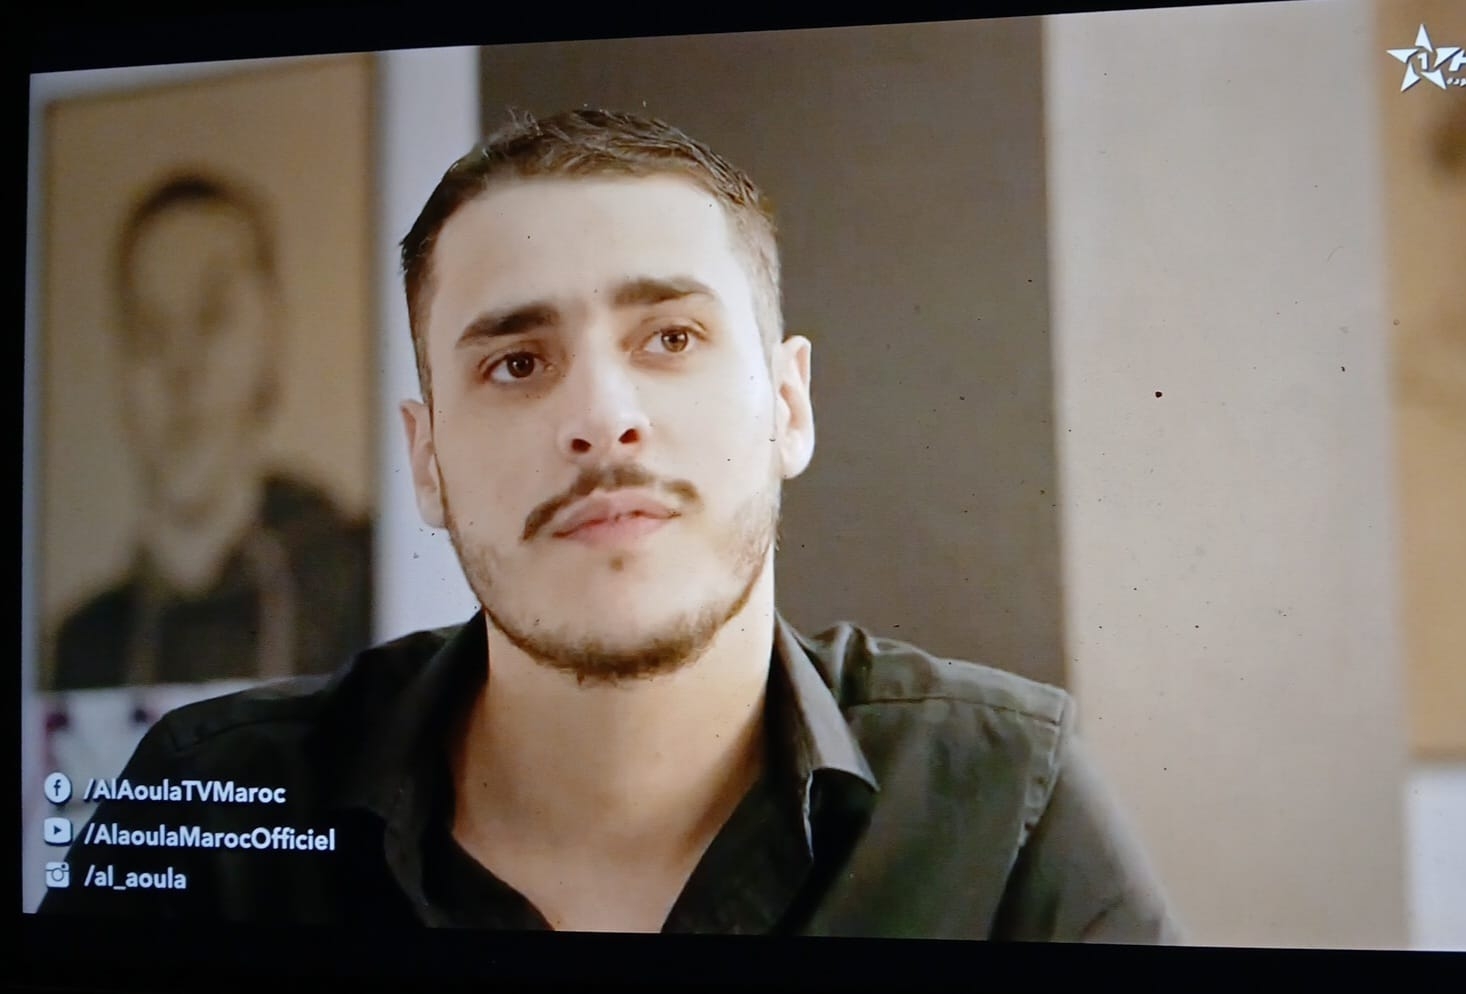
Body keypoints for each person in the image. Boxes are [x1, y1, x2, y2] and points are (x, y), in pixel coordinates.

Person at [37, 111, 1180, 940]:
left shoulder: (1004, 804)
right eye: (517, 362)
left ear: (788, 405)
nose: (600, 416)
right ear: (427, 461)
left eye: (671, 339)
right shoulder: (211, 807)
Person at [46, 173, 372, 690]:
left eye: (212, 317)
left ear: (271, 335)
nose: (181, 370)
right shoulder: (81, 650)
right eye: (150, 331)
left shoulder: (360, 578)